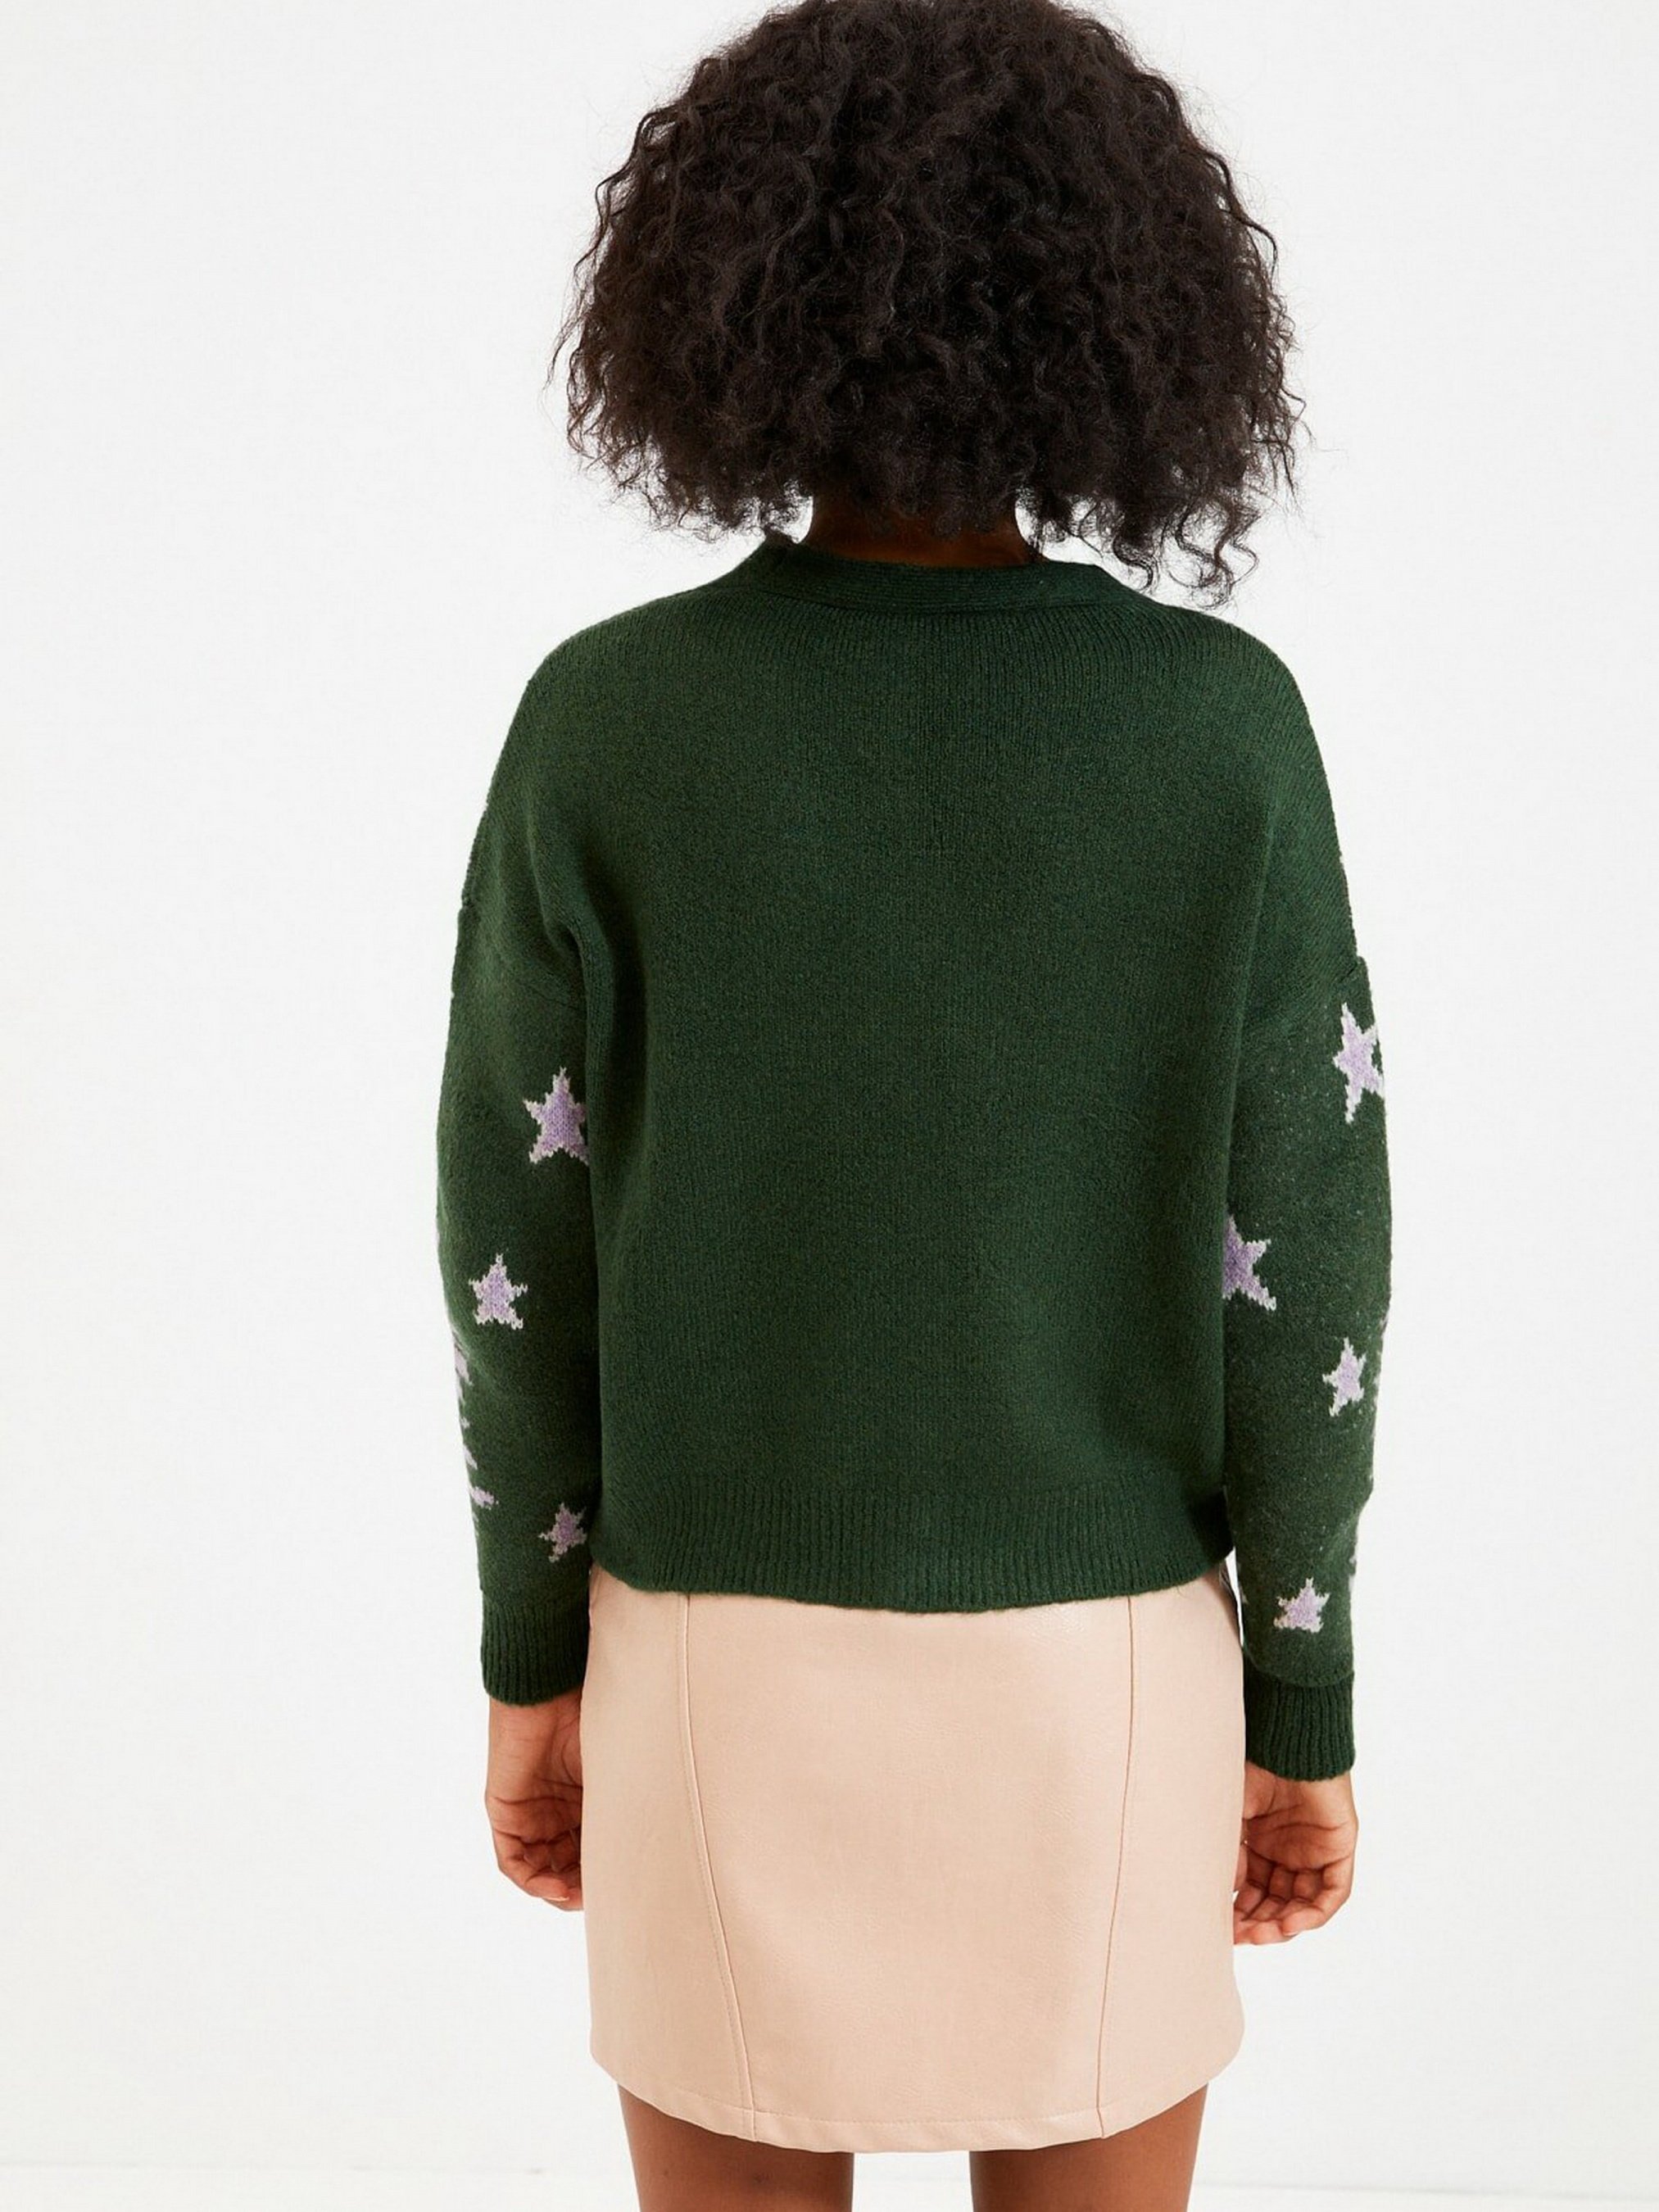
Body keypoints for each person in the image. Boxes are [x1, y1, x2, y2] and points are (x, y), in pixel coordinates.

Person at [433, 0, 1392, 2204]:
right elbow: (1312, 1254)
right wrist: (1301, 1708)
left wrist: (531, 1660)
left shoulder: (609, 723)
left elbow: (514, 1244)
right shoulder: (1219, 730)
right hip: (1101, 1668)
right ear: (1131, 311)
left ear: (718, 303)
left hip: (712, 1653)